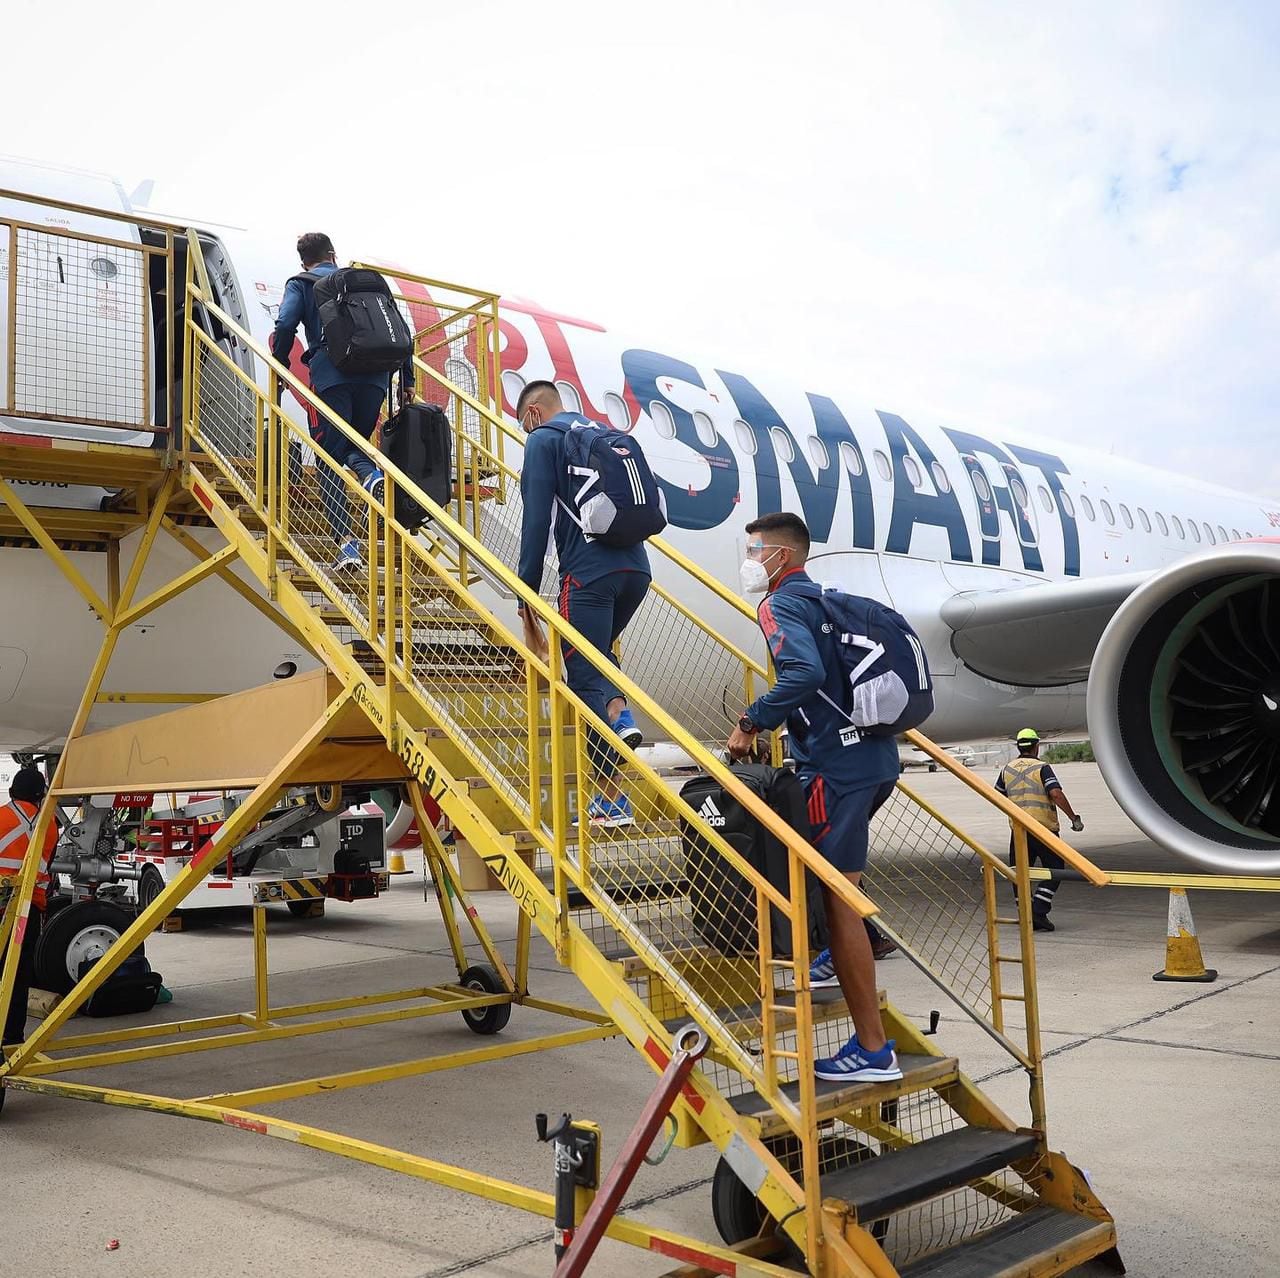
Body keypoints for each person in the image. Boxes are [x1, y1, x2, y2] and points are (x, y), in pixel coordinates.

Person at [726, 512, 902, 1082]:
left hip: (835, 767)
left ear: (781, 556)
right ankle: (832, 956)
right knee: (834, 876)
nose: (750, 560)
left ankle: (873, 1051)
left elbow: (801, 672)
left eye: (755, 550)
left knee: (838, 896)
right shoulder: (827, 601)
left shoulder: (779, 604)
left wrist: (753, 722)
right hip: (875, 759)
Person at [515, 381, 649, 827]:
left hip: (588, 576)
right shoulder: (600, 433)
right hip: (635, 570)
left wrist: (525, 598)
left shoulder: (543, 440)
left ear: (534, 412)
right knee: (598, 664)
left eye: (522, 424)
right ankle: (618, 721)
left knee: (586, 680)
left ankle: (613, 787)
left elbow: (535, 524)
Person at [270, 232, 415, 573]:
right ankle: (368, 476)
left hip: (332, 377)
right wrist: (407, 381)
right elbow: (401, 333)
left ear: (303, 261)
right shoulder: (364, 283)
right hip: (376, 377)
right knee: (352, 442)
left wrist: (279, 364)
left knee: (327, 458)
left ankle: (348, 542)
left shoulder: (300, 282)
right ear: (333, 254)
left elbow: (286, 323)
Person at [995, 728, 1083, 933]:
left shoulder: (1006, 769)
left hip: (1018, 829)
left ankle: (1025, 914)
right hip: (1043, 828)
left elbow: (998, 795)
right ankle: (1039, 909)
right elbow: (1056, 793)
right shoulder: (1042, 767)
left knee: (1019, 872)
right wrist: (1073, 817)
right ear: (1036, 746)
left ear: (1019, 747)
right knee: (1056, 868)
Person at [0, 766, 58, 1050]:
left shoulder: (1, 817)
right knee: (18, 976)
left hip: (1, 907)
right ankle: (11, 1038)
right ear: (41, 795)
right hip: (29, 909)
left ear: (12, 792)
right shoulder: (51, 825)